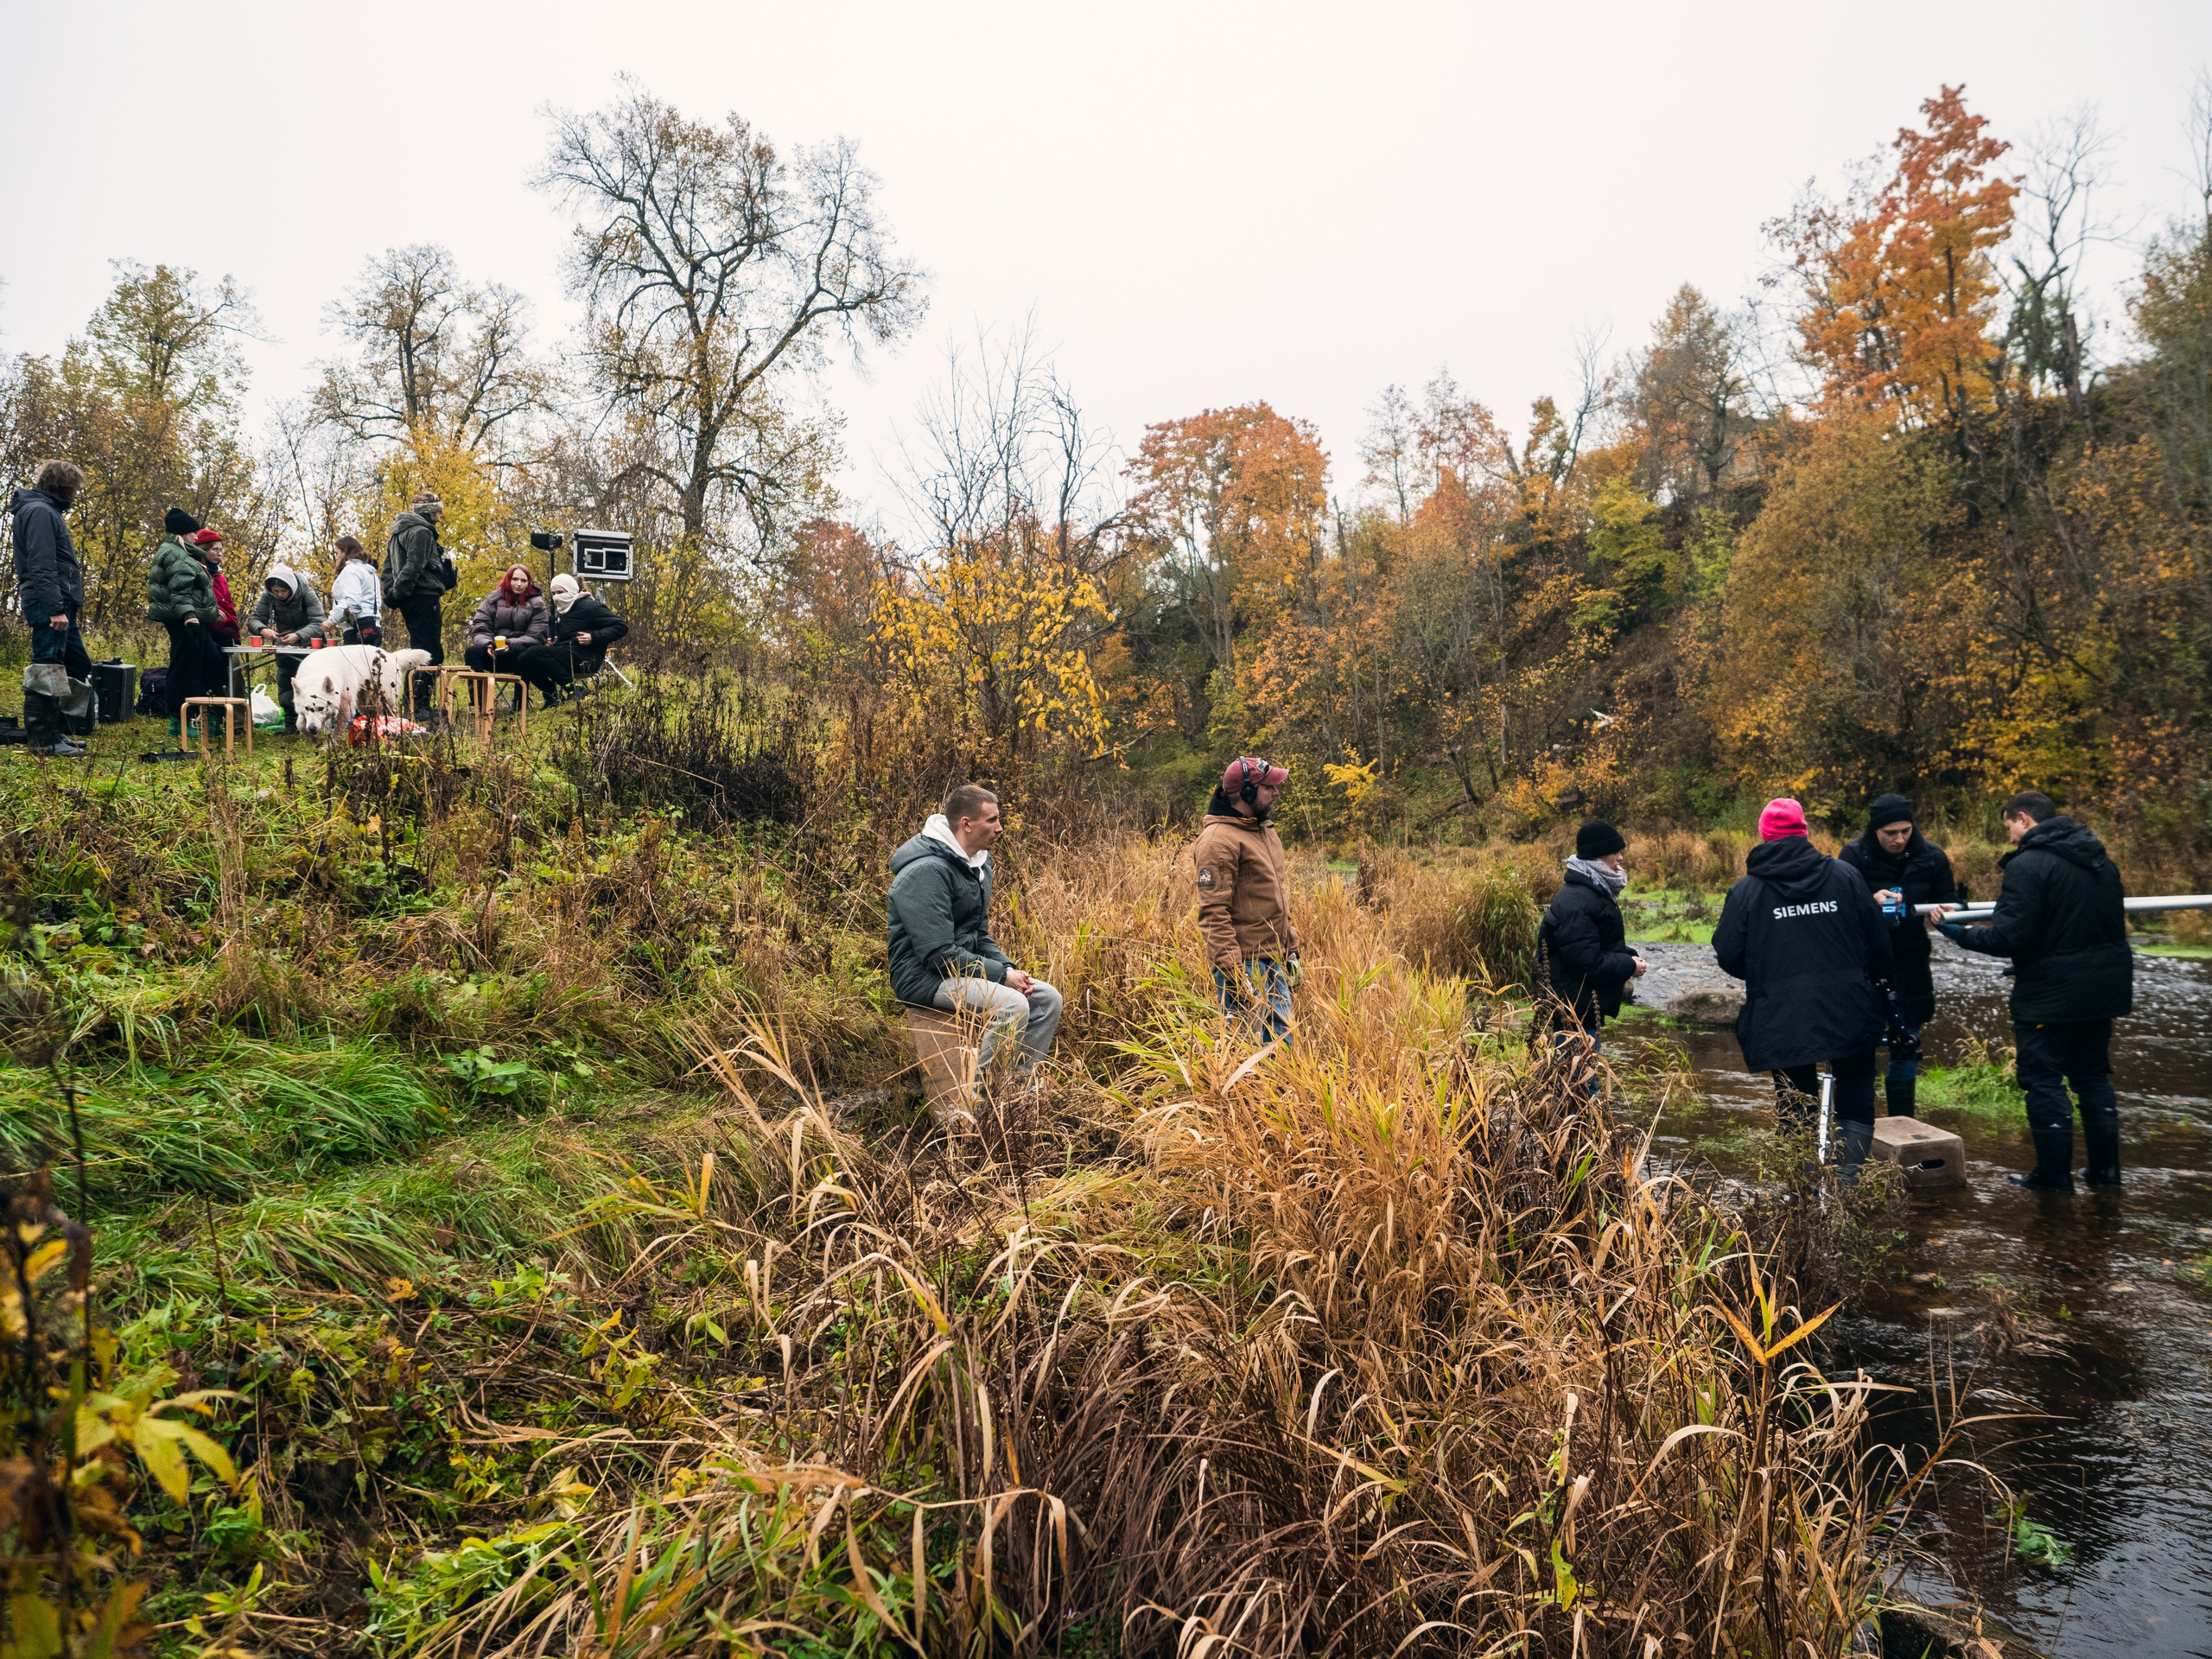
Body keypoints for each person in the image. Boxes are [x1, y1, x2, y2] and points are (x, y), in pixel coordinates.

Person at [1936, 792, 2133, 1192]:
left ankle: (2054, 1178)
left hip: (2051, 992)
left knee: (2042, 1079)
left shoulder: (2029, 865)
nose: (2009, 837)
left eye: (2008, 826)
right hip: (2104, 986)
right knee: (2093, 1076)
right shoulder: (2098, 859)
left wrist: (1956, 933)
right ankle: (2106, 1173)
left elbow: (2012, 937)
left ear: (2023, 819)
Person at [1712, 798, 1892, 1173]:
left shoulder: (1747, 891)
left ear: (1764, 836)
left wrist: (1770, 973)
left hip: (1782, 1012)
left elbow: (1728, 954)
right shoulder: (1845, 876)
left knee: (1796, 1101)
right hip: (1850, 1006)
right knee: (1856, 1090)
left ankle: (1805, 1193)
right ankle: (1846, 1186)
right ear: (1804, 831)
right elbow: (1878, 942)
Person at [886, 784, 1064, 1090]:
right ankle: (985, 1096)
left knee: (1046, 999)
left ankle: (1018, 1085)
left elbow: (979, 935)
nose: (1000, 828)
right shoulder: (926, 872)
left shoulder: (977, 866)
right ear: (966, 824)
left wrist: (1009, 970)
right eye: (992, 820)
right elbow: (938, 954)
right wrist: (1001, 977)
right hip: (924, 976)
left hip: (958, 968)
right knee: (1012, 1006)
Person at [1837, 794, 1960, 1119]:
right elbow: (1839, 909)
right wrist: (1868, 899)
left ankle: (1903, 1125)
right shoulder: (1852, 855)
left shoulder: (1932, 857)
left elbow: (1949, 901)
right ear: (1876, 830)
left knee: (1907, 1042)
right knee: (1856, 1043)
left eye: (1905, 830)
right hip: (1865, 962)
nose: (1899, 838)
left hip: (1911, 960)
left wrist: (1947, 912)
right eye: (1890, 832)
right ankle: (1853, 1126)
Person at [1193, 756, 1300, 1042]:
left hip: (1273, 958)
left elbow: (1275, 895)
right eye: (1269, 787)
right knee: (1248, 1054)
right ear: (1247, 792)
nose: (1277, 792)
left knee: (1282, 1049)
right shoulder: (1218, 841)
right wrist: (1234, 974)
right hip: (1245, 963)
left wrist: (1291, 948)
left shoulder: (1263, 830)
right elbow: (1214, 913)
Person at [1539, 821, 1647, 1084]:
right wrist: (1628, 966)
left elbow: (1595, 944)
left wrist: (1628, 955)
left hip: (1579, 1005)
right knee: (1578, 1087)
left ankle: (1579, 1123)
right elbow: (1588, 961)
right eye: (1615, 852)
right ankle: (1579, 1125)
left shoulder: (1591, 890)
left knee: (1577, 1083)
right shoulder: (1578, 900)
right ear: (1598, 855)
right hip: (1573, 1009)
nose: (1621, 858)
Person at [10, 460, 92, 758]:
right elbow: (42, 564)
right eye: (75, 488)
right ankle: (43, 741)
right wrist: (55, 608)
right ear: (63, 486)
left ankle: (55, 732)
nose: (76, 495)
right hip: (49, 602)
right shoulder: (40, 512)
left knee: (71, 663)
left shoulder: (44, 510)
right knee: (45, 665)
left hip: (58, 601)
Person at [146, 506, 224, 732]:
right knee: (185, 669)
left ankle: (209, 716)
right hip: (185, 621)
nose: (196, 537)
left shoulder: (183, 552)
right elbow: (180, 592)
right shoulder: (175, 553)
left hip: (195, 619)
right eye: (193, 533)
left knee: (212, 664)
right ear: (182, 533)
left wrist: (211, 612)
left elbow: (193, 590)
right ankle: (179, 720)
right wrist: (190, 617)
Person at [512, 573, 627, 708]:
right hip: (567, 654)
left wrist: (593, 637)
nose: (557, 596)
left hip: (586, 658)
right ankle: (547, 696)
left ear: (572, 591)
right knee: (523, 658)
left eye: (561, 592)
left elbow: (621, 627)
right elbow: (565, 639)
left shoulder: (591, 607)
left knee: (533, 653)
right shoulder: (564, 610)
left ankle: (573, 689)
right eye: (553, 593)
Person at [246, 564, 328, 734]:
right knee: (286, 681)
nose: (279, 594)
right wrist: (262, 629)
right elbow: (255, 618)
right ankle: (291, 723)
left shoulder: (307, 593)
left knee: (313, 684)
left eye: (283, 591)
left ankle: (320, 723)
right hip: (284, 645)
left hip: (309, 644)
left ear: (291, 587)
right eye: (275, 591)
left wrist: (298, 635)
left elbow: (319, 622)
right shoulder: (269, 596)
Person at [382, 492, 452, 687]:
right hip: (423, 598)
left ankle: (413, 702)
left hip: (411, 599)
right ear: (431, 512)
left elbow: (387, 569)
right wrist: (396, 594)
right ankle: (419, 705)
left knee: (421, 649)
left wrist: (392, 592)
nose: (440, 514)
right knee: (429, 652)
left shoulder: (398, 531)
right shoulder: (422, 531)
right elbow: (413, 567)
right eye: (438, 510)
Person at [463, 565, 550, 701]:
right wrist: (488, 644)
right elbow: (480, 626)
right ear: (508, 580)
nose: (519, 584)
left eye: (524, 580)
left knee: (520, 650)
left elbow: (537, 635)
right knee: (472, 652)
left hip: (520, 657)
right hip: (494, 655)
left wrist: (510, 643)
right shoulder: (492, 600)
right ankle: (480, 702)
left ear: (529, 583)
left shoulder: (537, 605)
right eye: (515, 579)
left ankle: (520, 701)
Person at [329, 536, 382, 645]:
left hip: (357, 628)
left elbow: (353, 603)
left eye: (337, 553)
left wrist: (331, 621)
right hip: (373, 625)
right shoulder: (369, 572)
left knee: (355, 662)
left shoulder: (351, 570)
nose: (336, 557)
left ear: (345, 552)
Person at [198, 529, 240, 648]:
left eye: (221, 550)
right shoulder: (196, 572)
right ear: (203, 550)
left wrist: (236, 635)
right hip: (205, 630)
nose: (219, 554)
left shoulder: (220, 577)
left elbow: (230, 607)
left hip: (225, 632)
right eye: (215, 549)